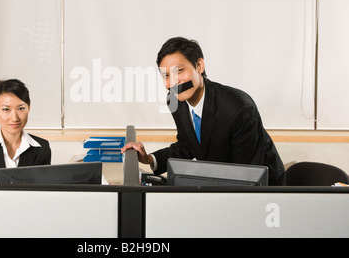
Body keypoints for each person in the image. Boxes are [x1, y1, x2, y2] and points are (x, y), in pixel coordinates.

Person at [121, 37, 285, 186]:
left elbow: (248, 174)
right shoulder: (175, 100)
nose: (174, 82)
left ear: (199, 66)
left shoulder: (239, 108)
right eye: (166, 76)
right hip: (222, 184)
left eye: (180, 71)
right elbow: (187, 145)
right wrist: (148, 158)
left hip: (264, 190)